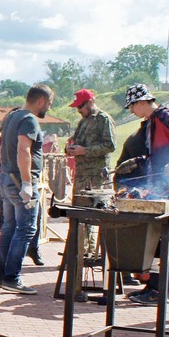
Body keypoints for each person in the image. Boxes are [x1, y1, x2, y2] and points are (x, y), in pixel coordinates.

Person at [0, 85, 54, 293]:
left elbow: (4, 149)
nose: (48, 108)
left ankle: (2, 276)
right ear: (41, 101)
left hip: (7, 177)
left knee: (9, 227)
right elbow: (24, 150)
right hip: (19, 181)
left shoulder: (12, 116)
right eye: (49, 103)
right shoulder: (29, 119)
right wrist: (27, 183)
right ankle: (12, 278)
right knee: (26, 229)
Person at [64, 89, 116, 261]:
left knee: (92, 215)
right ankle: (78, 251)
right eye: (77, 107)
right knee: (78, 213)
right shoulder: (83, 122)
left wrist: (84, 151)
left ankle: (89, 253)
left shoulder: (104, 119)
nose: (78, 110)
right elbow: (76, 141)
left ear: (90, 102)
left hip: (96, 176)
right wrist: (70, 148)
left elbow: (110, 146)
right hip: (81, 175)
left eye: (80, 106)